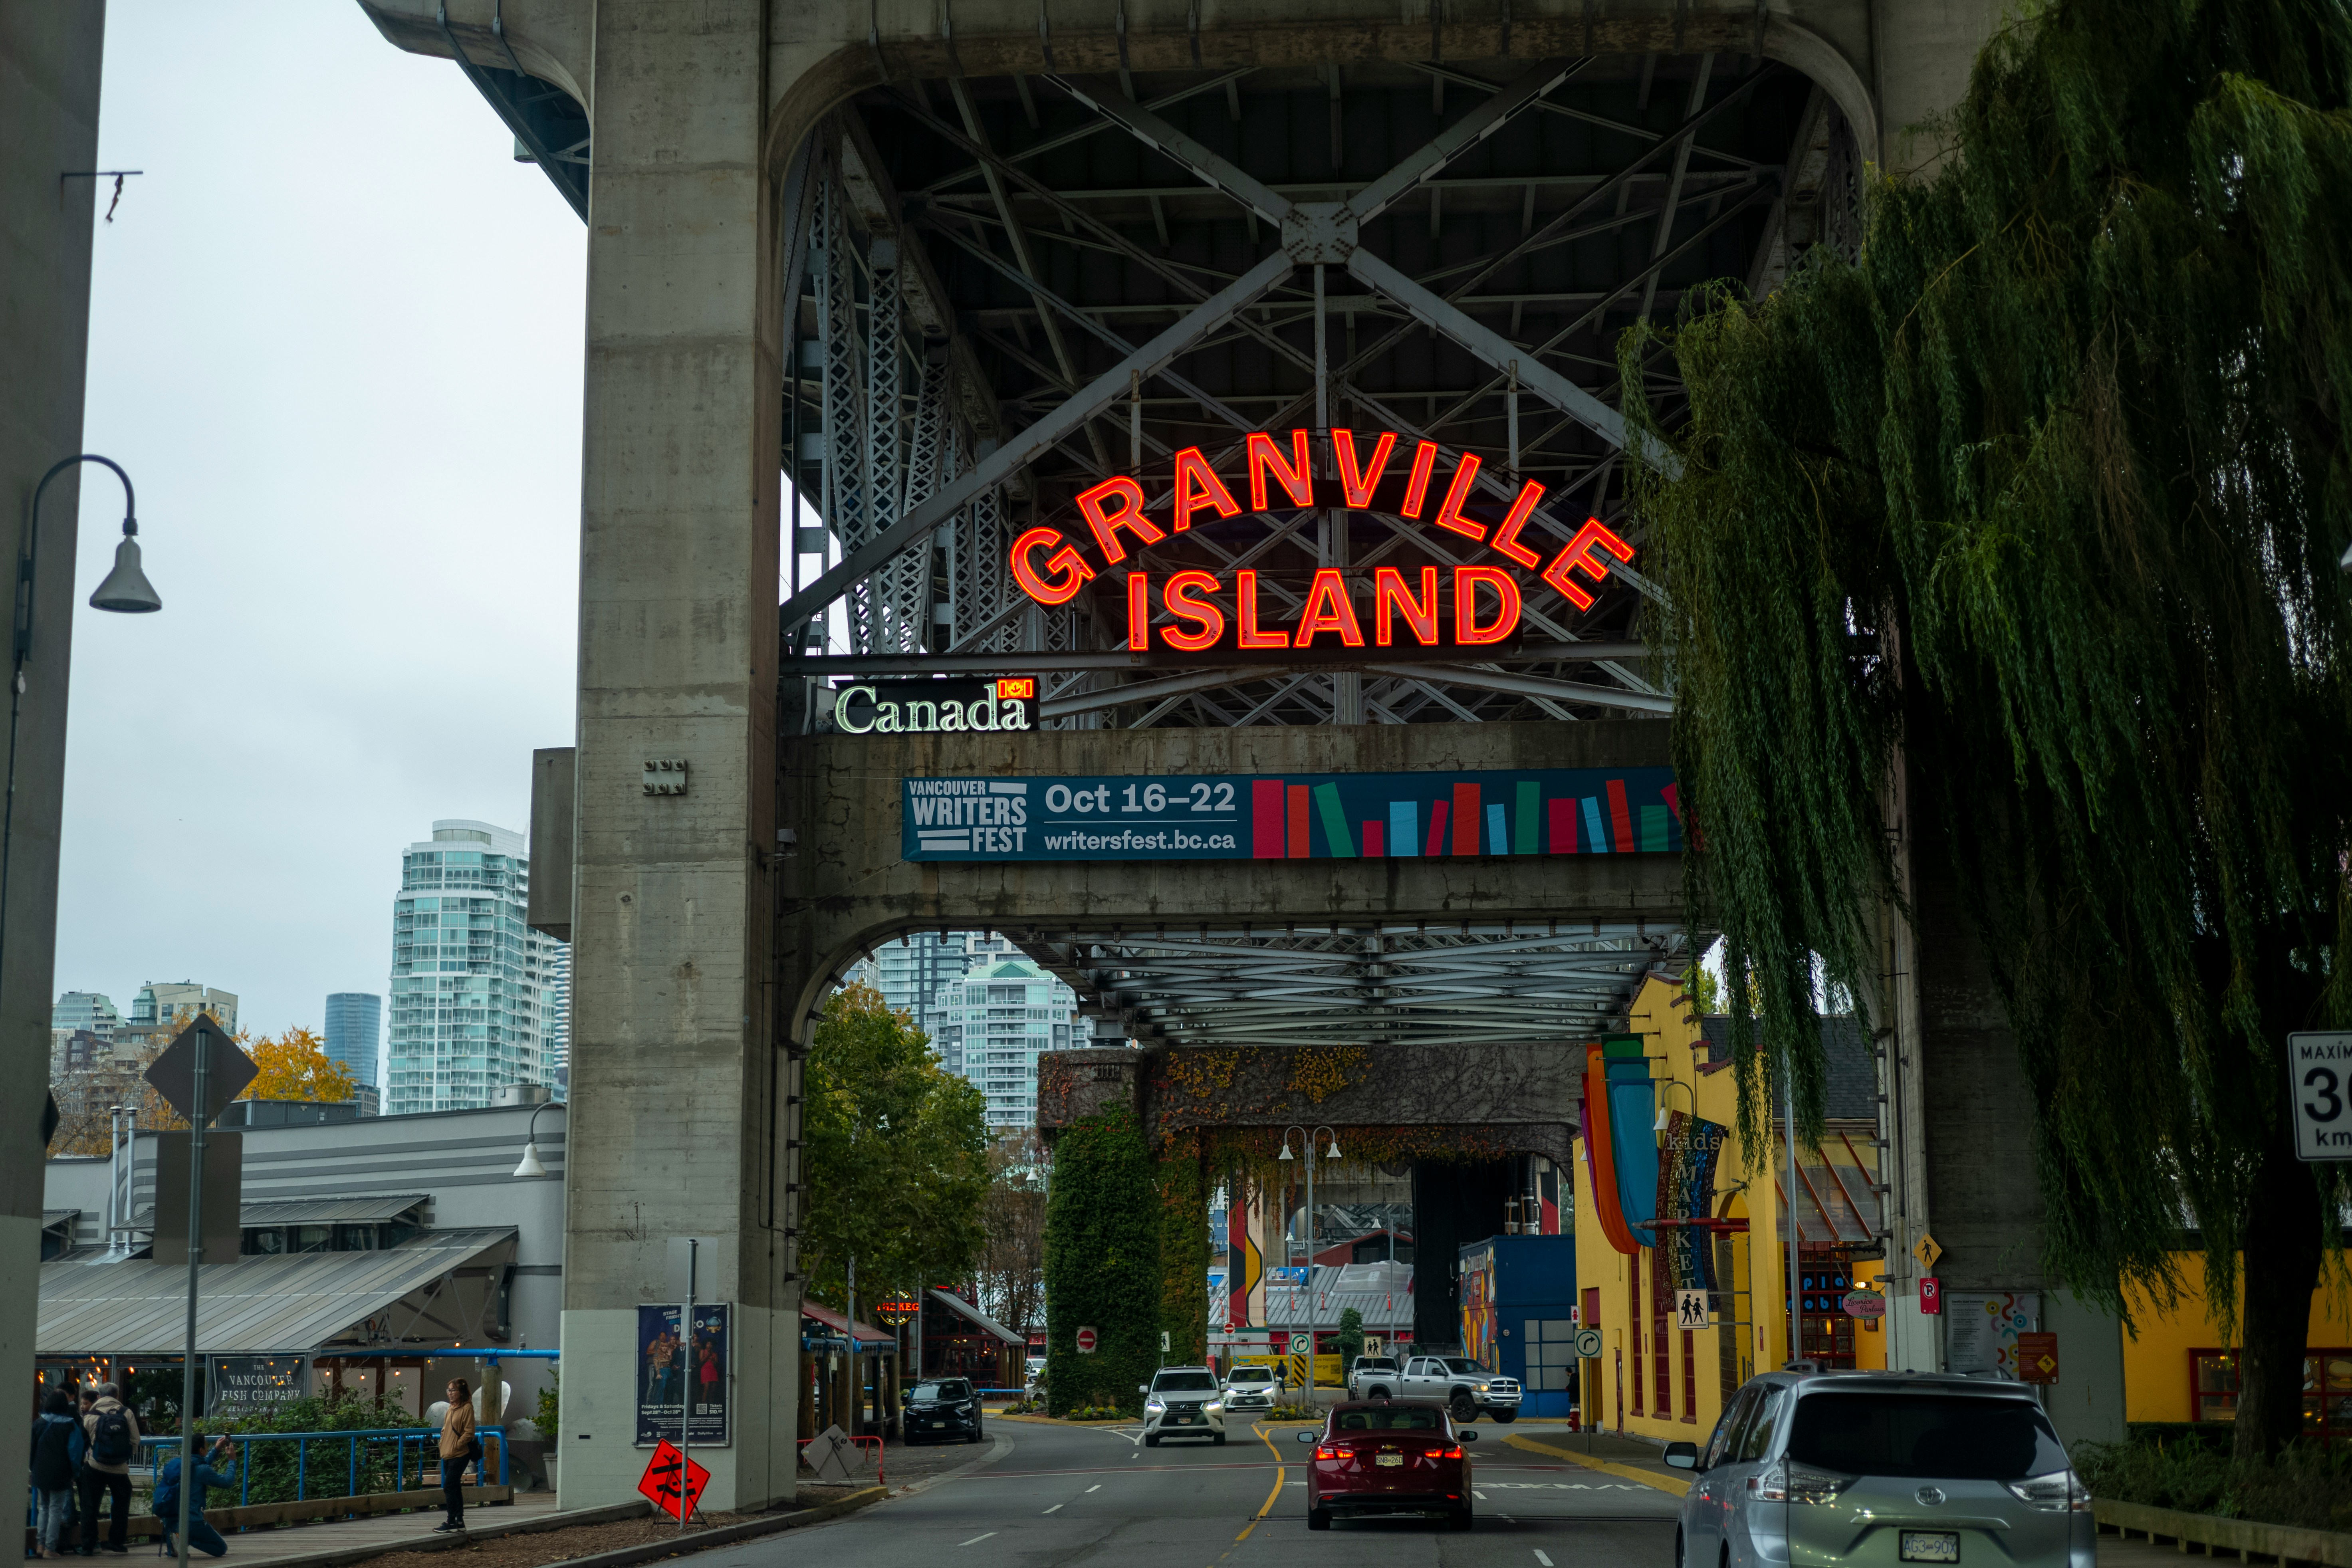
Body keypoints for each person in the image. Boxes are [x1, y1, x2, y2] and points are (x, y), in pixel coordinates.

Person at [75, 1382, 139, 1556]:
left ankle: (88, 1546)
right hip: (120, 1469)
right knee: (121, 1505)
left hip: (95, 1466)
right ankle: (117, 1543)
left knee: (89, 1506)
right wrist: (124, 1458)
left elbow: (82, 1443)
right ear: (117, 1396)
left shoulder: (90, 1415)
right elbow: (135, 1440)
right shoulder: (126, 1413)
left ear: (99, 1396)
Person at [151, 1436, 238, 1560]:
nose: (208, 1449)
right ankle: (184, 1539)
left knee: (185, 1528)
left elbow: (201, 1463)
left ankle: (176, 1539)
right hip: (191, 1522)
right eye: (207, 1447)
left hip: (171, 1520)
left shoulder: (180, 1464)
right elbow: (227, 1482)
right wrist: (232, 1460)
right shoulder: (202, 1470)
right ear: (201, 1450)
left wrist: (216, 1450)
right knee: (221, 1549)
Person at [31, 1390, 79, 1559]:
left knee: (43, 1508)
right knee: (56, 1509)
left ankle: (39, 1545)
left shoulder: (38, 1423)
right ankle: (50, 1548)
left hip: (40, 1471)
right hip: (61, 1472)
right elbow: (75, 1452)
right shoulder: (70, 1425)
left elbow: (31, 1449)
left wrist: (33, 1468)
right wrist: (75, 1472)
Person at [435, 1378, 476, 1533]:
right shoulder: (450, 1409)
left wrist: (457, 1445)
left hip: (460, 1454)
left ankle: (451, 1520)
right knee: (455, 1487)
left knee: (449, 1486)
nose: (450, 1394)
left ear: (462, 1392)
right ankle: (459, 1520)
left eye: (453, 1390)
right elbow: (445, 1429)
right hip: (447, 1454)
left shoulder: (467, 1409)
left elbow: (469, 1432)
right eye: (449, 1390)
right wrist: (443, 1443)